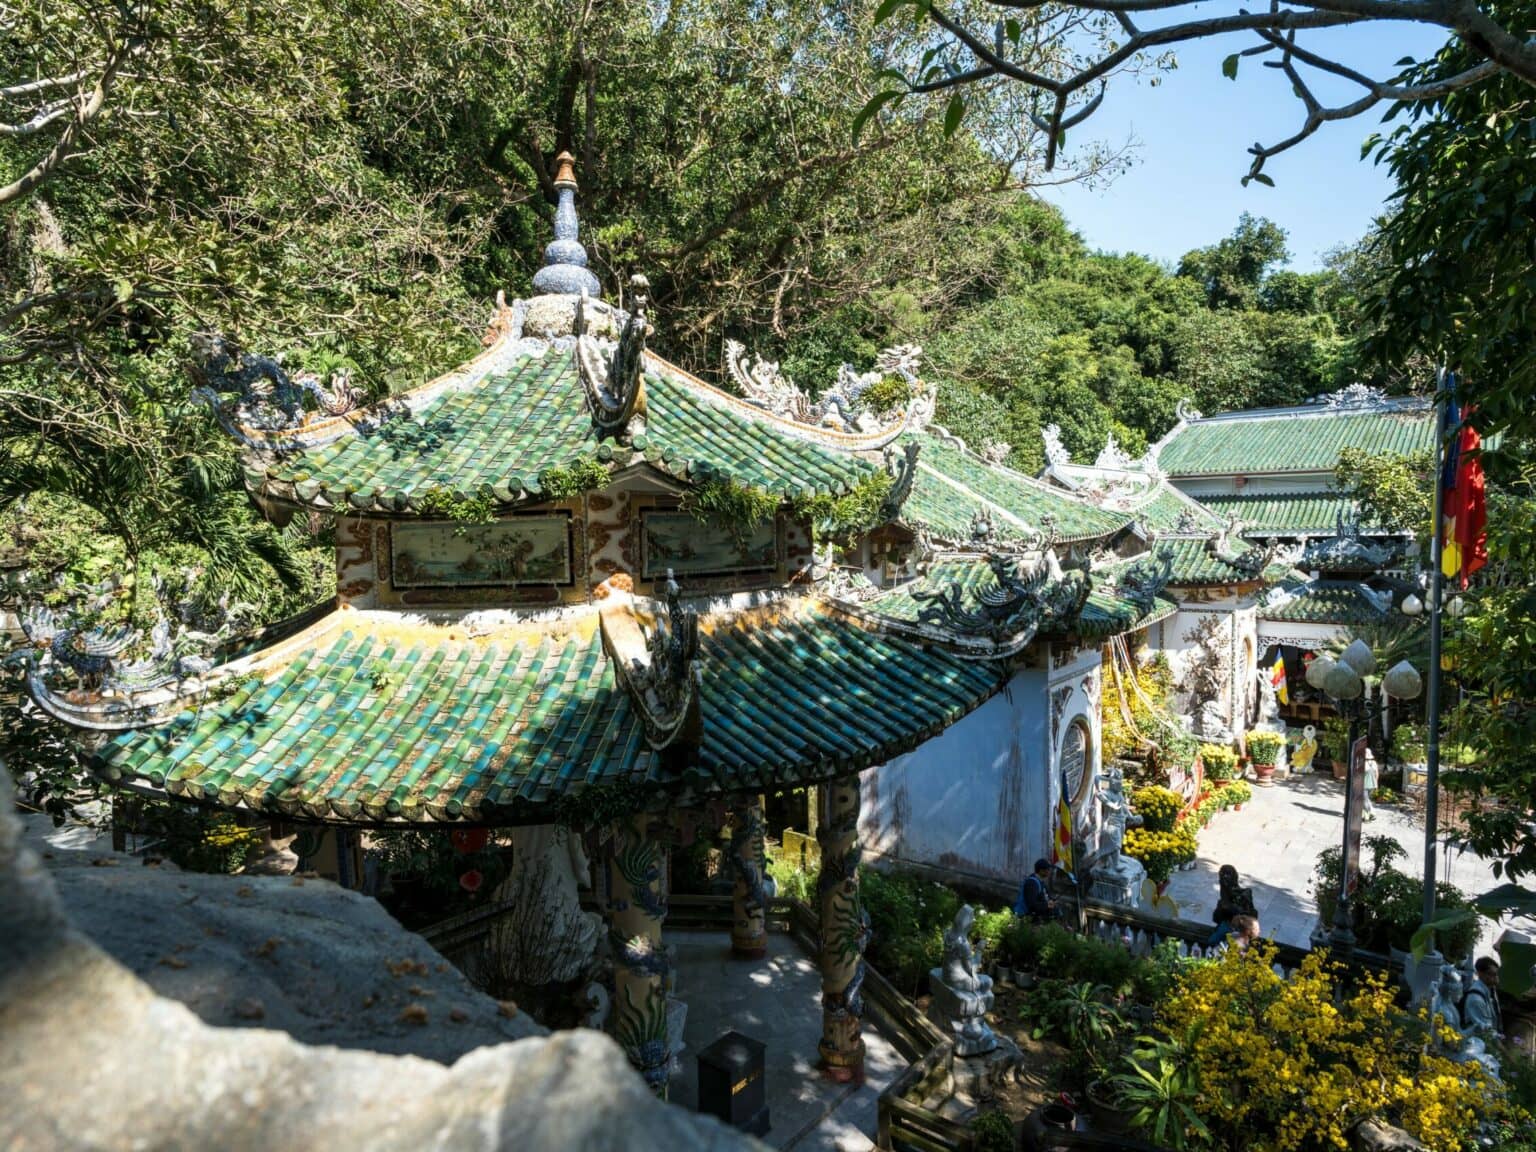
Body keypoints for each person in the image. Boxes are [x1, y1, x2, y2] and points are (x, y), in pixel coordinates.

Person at [1462, 957, 1502, 1039]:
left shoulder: (1490, 990)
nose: (1496, 978)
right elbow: (1485, 1031)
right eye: (1491, 974)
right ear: (1480, 974)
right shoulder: (1476, 999)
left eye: (1496, 974)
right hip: (1478, 1042)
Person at [1015, 858, 1058, 924]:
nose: (1050, 871)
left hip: (1036, 918)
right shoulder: (1032, 883)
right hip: (1026, 919)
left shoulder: (1041, 882)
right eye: (1048, 869)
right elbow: (1032, 905)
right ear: (1041, 871)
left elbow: (1045, 897)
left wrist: (1052, 901)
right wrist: (1047, 905)